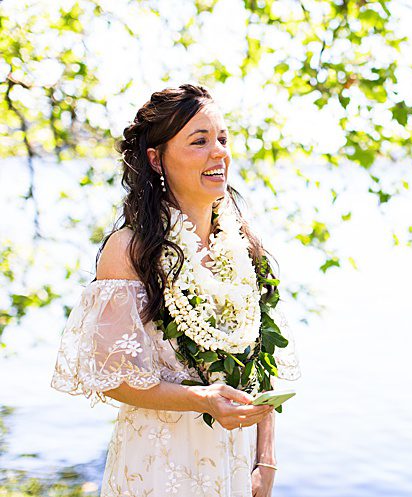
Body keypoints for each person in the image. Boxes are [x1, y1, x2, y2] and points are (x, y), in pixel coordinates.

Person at [51, 84, 298, 497]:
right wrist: (202, 399)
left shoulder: (242, 245)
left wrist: (266, 460)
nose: (218, 152)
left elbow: (261, 362)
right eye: (199, 141)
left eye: (222, 138)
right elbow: (111, 377)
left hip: (235, 463)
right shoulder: (130, 250)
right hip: (157, 465)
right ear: (156, 159)